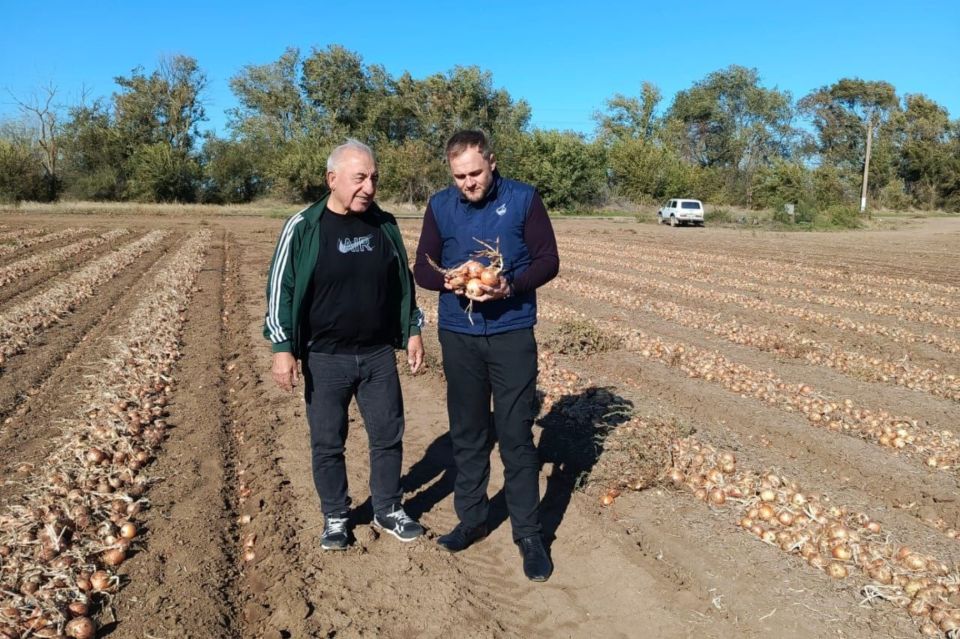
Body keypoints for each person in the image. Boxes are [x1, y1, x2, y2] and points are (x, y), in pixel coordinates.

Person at [264, 139, 425, 550]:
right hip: (325, 357)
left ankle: (387, 508)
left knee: (388, 435)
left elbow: (402, 284)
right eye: (359, 178)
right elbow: (279, 289)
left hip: (376, 355)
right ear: (332, 179)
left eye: (373, 178)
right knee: (327, 442)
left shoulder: (384, 225)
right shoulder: (303, 226)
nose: (368, 187)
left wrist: (412, 329)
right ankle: (336, 516)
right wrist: (282, 348)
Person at [414, 130, 560, 582]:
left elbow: (548, 260)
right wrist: (451, 281)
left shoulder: (524, 199)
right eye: (459, 176)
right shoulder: (440, 206)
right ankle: (472, 517)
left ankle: (529, 534)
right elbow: (422, 267)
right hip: (459, 335)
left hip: (512, 333)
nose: (468, 183)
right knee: (469, 432)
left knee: (515, 436)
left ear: (492, 162)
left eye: (475, 173)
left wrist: (509, 285)